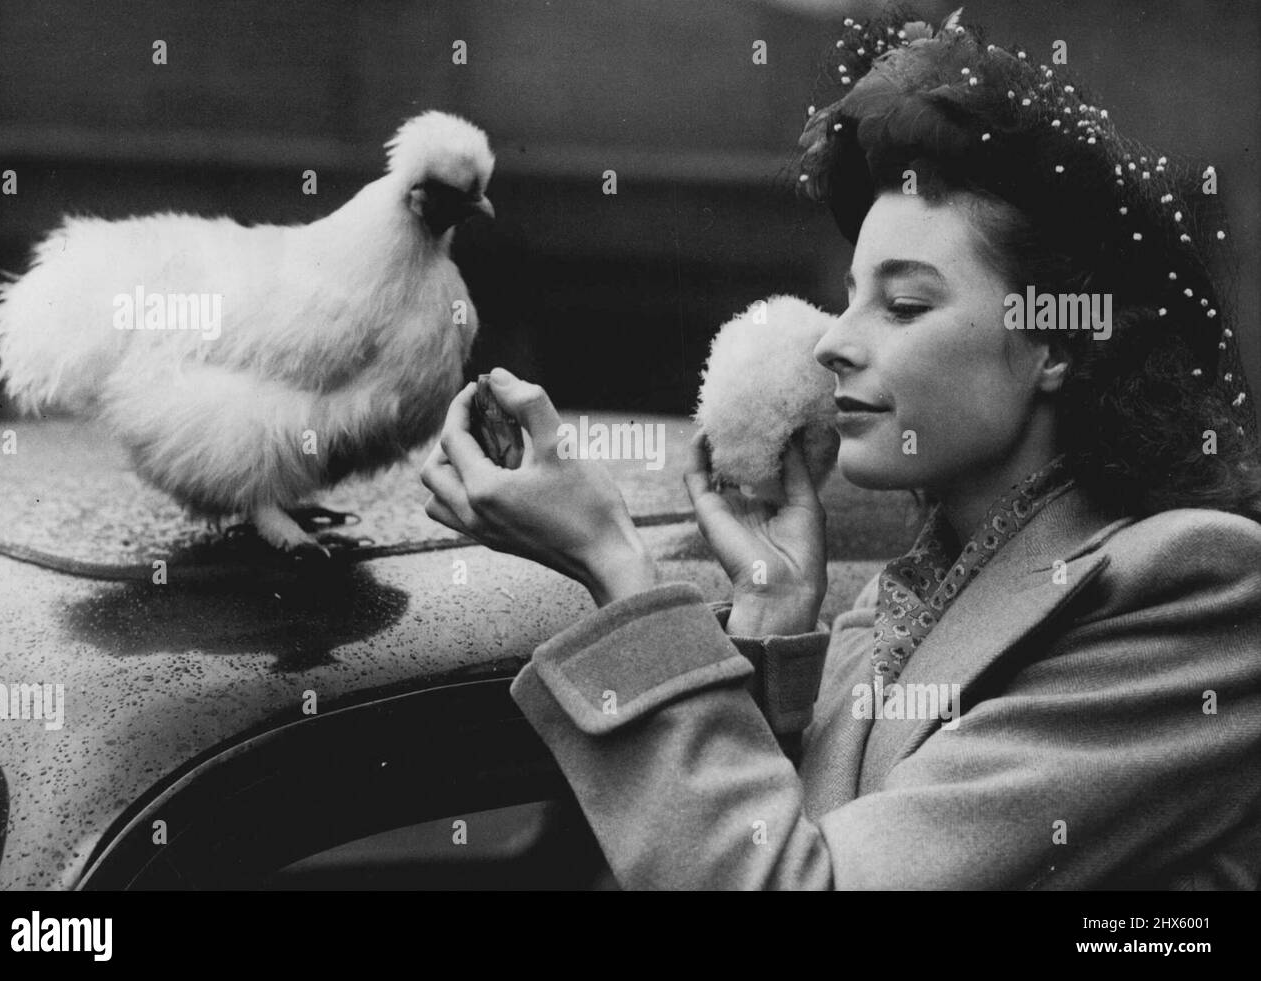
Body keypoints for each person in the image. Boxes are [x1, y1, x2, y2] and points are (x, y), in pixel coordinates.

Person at [419, 7, 1261, 888]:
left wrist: (616, 567)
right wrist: (772, 621)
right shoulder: (889, 608)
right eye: (852, 294)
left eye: (902, 306)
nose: (832, 342)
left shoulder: (1196, 585)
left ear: (1053, 340)